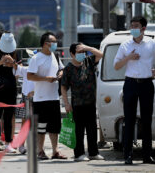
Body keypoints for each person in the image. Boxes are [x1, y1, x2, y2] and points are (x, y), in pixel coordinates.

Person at [114, 16, 155, 165]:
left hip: (146, 83)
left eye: (136, 26)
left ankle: (147, 156)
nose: (133, 29)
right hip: (130, 84)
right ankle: (127, 155)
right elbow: (116, 66)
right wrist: (128, 57)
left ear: (143, 28)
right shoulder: (125, 45)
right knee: (129, 120)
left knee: (147, 120)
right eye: (132, 26)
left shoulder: (152, 44)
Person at [61, 42, 104, 162]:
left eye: (83, 52)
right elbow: (63, 87)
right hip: (77, 104)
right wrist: (66, 104)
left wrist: (88, 48)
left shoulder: (89, 61)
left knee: (92, 129)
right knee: (79, 130)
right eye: (79, 52)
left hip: (90, 102)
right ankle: (79, 154)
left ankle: (93, 153)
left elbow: (101, 54)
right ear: (72, 54)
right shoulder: (68, 68)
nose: (82, 54)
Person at [27, 32, 67, 160]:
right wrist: (45, 79)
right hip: (40, 99)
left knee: (55, 127)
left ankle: (55, 151)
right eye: (53, 42)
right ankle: (40, 150)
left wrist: (60, 74)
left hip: (54, 97)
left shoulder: (55, 56)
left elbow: (62, 68)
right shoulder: (36, 58)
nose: (55, 44)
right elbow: (29, 76)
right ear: (45, 43)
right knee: (41, 127)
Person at [12, 49, 37, 154]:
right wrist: (12, 61)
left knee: (35, 123)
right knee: (24, 123)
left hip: (37, 99)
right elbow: (17, 68)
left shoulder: (40, 71)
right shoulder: (26, 69)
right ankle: (21, 145)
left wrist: (35, 92)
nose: (31, 59)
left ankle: (34, 145)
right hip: (25, 99)